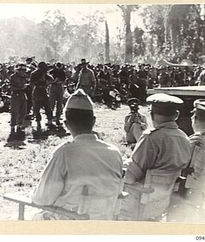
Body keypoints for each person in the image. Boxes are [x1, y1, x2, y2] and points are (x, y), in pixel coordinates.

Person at [32, 89, 123, 220]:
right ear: (93, 121)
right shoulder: (114, 152)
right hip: (104, 222)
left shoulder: (64, 153)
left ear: (66, 124)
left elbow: (42, 199)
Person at [122, 93, 191, 221]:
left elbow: (132, 175)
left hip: (141, 199)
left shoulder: (151, 138)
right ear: (176, 115)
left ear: (152, 115)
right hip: (164, 199)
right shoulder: (185, 138)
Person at [168, 99, 205, 223]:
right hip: (201, 188)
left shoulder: (195, 140)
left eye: (193, 116)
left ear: (195, 119)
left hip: (188, 188)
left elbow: (181, 164)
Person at [30, 61, 55, 130]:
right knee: (37, 108)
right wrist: (38, 81)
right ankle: (39, 123)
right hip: (37, 91)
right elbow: (31, 84)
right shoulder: (34, 74)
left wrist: (46, 82)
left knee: (47, 107)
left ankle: (49, 122)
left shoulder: (44, 73)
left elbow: (51, 79)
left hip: (43, 91)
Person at [9, 63, 28, 136]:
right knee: (15, 111)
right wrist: (21, 88)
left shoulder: (24, 76)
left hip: (22, 94)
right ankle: (13, 127)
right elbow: (11, 88)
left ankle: (19, 126)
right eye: (21, 70)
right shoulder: (13, 77)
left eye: (24, 70)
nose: (23, 72)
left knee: (23, 111)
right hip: (15, 95)